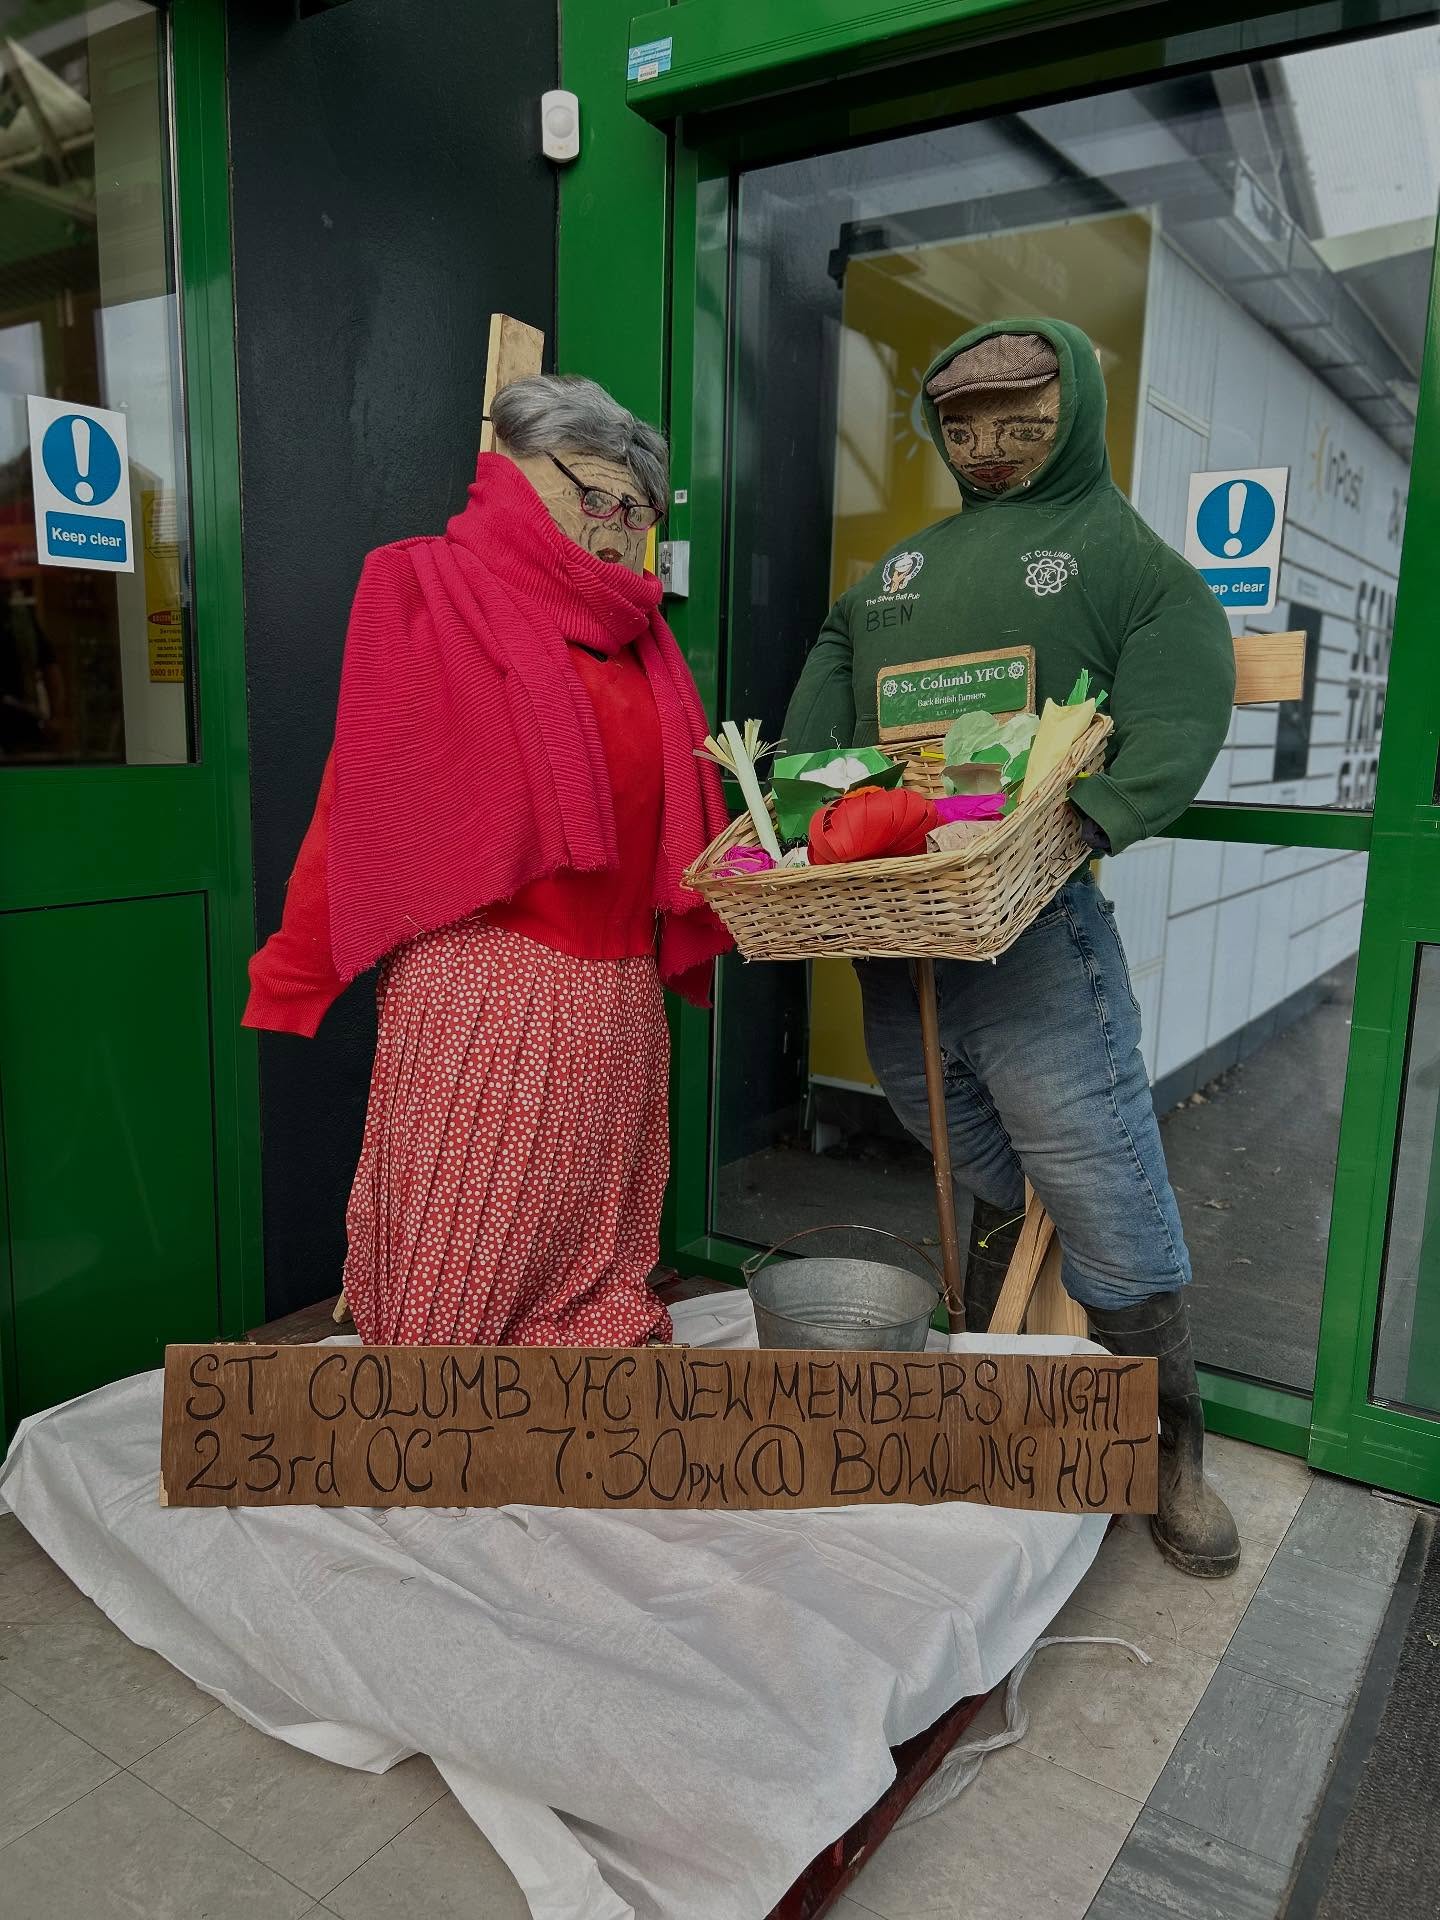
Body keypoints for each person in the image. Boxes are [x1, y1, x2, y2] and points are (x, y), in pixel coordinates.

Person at [783, 318, 1241, 1578]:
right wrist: (816, 795)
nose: (989, 445)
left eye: (1021, 418)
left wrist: (1098, 810)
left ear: (1075, 407)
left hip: (1037, 939)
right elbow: (825, 696)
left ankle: (1169, 1451)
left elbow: (1188, 670)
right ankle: (1014, 1395)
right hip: (903, 936)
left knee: (1101, 1175)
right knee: (968, 1149)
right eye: (965, 423)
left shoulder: (1118, 552)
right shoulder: (900, 574)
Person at [244, 375, 730, 1349]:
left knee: (588, 1247)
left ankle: (559, 1375)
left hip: (618, 995)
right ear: (519, 474)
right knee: (465, 1268)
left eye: (637, 511)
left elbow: (678, 814)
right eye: (595, 497)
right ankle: (440, 1425)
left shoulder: (645, 640)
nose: (616, 529)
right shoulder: (427, 585)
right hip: (488, 987)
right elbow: (361, 792)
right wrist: (299, 965)